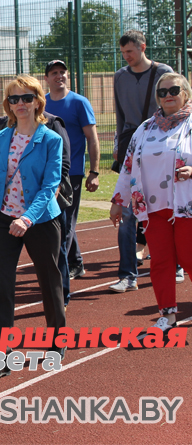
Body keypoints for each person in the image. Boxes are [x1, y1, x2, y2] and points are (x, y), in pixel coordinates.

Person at [0, 75, 65, 378]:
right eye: (14, 99)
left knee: (49, 281)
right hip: (3, 218)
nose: (20, 104)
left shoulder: (51, 139)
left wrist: (27, 218)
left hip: (40, 220)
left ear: (37, 102)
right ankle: (1, 352)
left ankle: (57, 340)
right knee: (2, 287)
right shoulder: (4, 136)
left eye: (27, 98)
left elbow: (50, 186)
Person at [110, 73, 192, 331]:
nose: (168, 95)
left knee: (189, 258)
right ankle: (167, 315)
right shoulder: (145, 128)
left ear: (185, 93)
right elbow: (128, 165)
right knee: (161, 262)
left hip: (186, 207)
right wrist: (118, 201)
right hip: (153, 208)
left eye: (174, 90)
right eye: (162, 92)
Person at [111, 30, 174, 293]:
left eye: (130, 51)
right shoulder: (119, 77)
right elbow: (119, 113)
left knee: (165, 208)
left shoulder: (164, 73)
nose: (126, 56)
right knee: (126, 213)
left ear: (142, 47)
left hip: (160, 148)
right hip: (131, 145)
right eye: (123, 52)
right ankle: (127, 275)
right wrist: (118, 144)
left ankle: (175, 264)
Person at [44, 60, 101, 280]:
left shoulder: (79, 102)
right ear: (47, 78)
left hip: (72, 172)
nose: (59, 76)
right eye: (54, 73)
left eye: (62, 72)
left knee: (65, 220)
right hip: (47, 171)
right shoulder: (42, 103)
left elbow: (92, 138)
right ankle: (75, 262)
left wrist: (94, 172)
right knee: (59, 218)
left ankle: (60, 272)